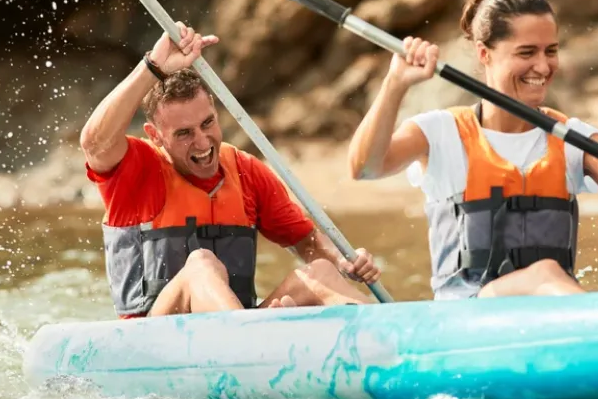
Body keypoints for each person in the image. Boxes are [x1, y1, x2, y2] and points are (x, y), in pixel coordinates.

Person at [347, 0, 598, 300]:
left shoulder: (573, 138)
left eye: (551, 51)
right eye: (526, 53)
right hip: (468, 317)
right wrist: (395, 84)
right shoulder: (439, 132)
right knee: (543, 272)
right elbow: (364, 167)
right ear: (485, 54)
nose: (543, 67)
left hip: (551, 315)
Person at [81, 22, 381, 318]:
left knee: (321, 273)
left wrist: (344, 262)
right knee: (201, 265)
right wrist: (153, 67)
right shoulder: (137, 169)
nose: (202, 142)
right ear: (156, 135)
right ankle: (255, 339)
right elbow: (94, 143)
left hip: (235, 326)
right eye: (184, 133)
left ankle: (393, 344)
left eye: (207, 123)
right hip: (151, 339)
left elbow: (307, 242)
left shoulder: (246, 171)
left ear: (215, 111)